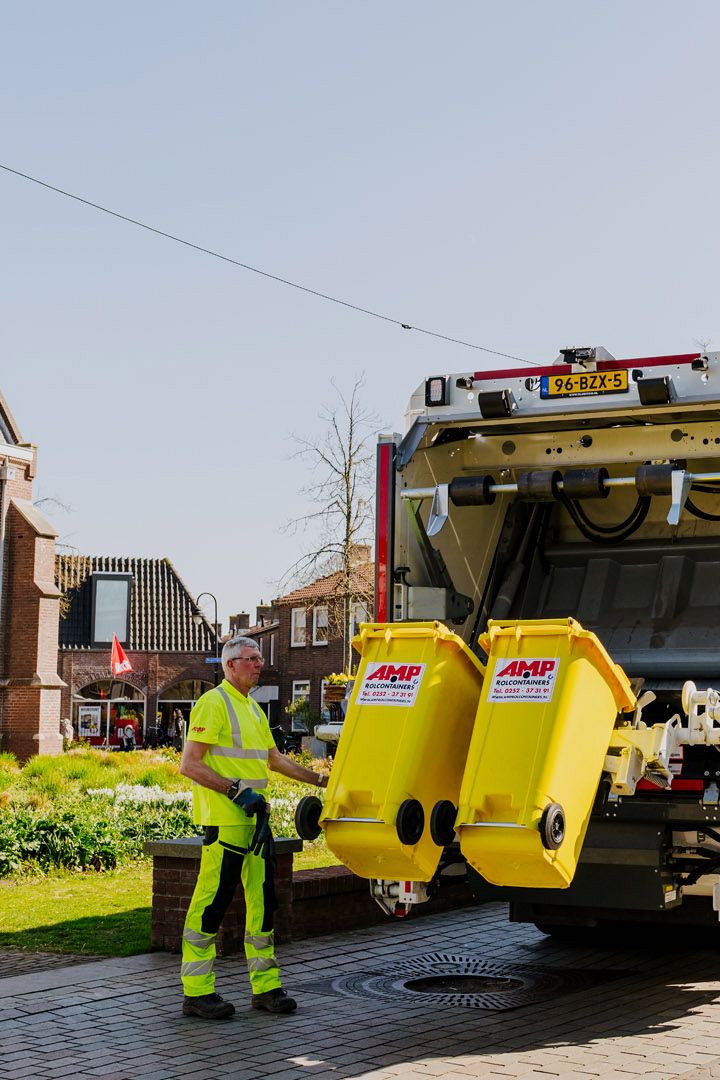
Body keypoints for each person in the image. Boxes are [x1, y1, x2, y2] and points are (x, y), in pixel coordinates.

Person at [179, 635, 328, 1020]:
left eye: (260, 658)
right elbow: (189, 764)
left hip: (256, 825)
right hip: (226, 823)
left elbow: (274, 760)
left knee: (264, 907)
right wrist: (234, 791)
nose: (258, 664)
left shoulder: (253, 709)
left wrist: (322, 782)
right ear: (230, 665)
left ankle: (265, 988)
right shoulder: (213, 704)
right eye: (250, 658)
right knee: (211, 905)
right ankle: (196, 992)